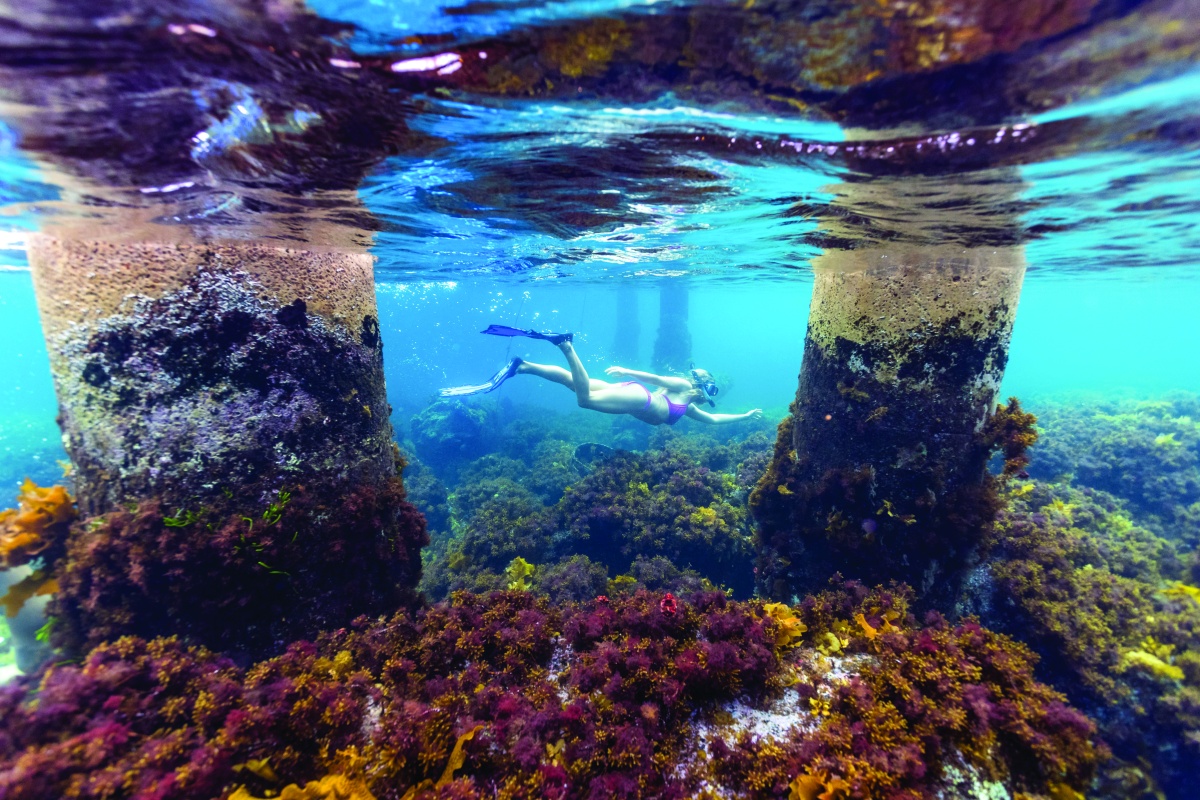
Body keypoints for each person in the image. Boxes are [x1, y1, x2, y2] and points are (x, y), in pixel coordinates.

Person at [441, 325, 763, 426]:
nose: (711, 396)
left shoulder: (691, 407)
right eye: (711, 389)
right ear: (701, 385)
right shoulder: (681, 386)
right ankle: (566, 346)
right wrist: (626, 370)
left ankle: (522, 367)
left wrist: (747, 415)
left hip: (634, 395)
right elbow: (653, 378)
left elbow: (718, 421)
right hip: (639, 396)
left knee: (572, 383)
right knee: (585, 401)